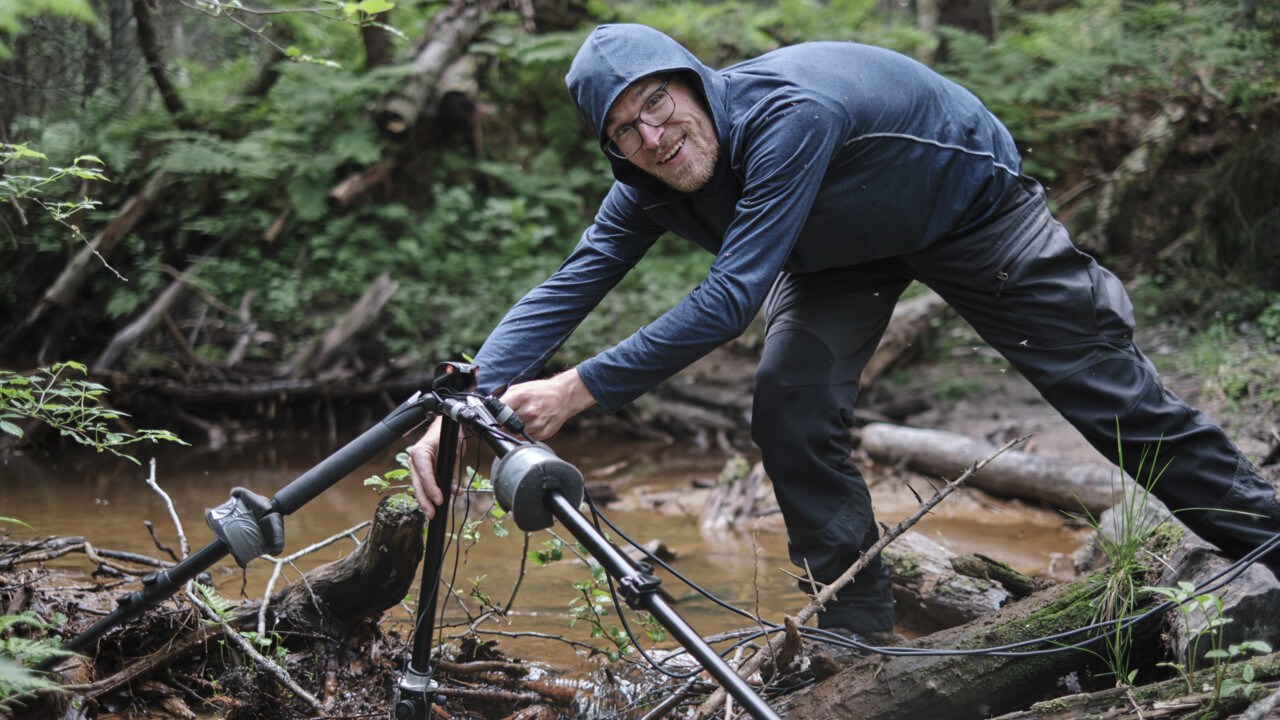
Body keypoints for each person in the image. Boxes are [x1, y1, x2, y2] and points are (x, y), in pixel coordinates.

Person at [409, 23, 1280, 641]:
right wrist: (463, 399)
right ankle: (858, 633)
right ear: (613, 150)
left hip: (964, 204)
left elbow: (730, 301)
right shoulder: (646, 183)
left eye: (660, 104)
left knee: (1106, 397)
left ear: (694, 84)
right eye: (626, 130)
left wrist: (577, 388)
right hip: (834, 251)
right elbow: (572, 282)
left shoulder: (790, 115)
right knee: (788, 409)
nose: (655, 135)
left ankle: (1265, 538)